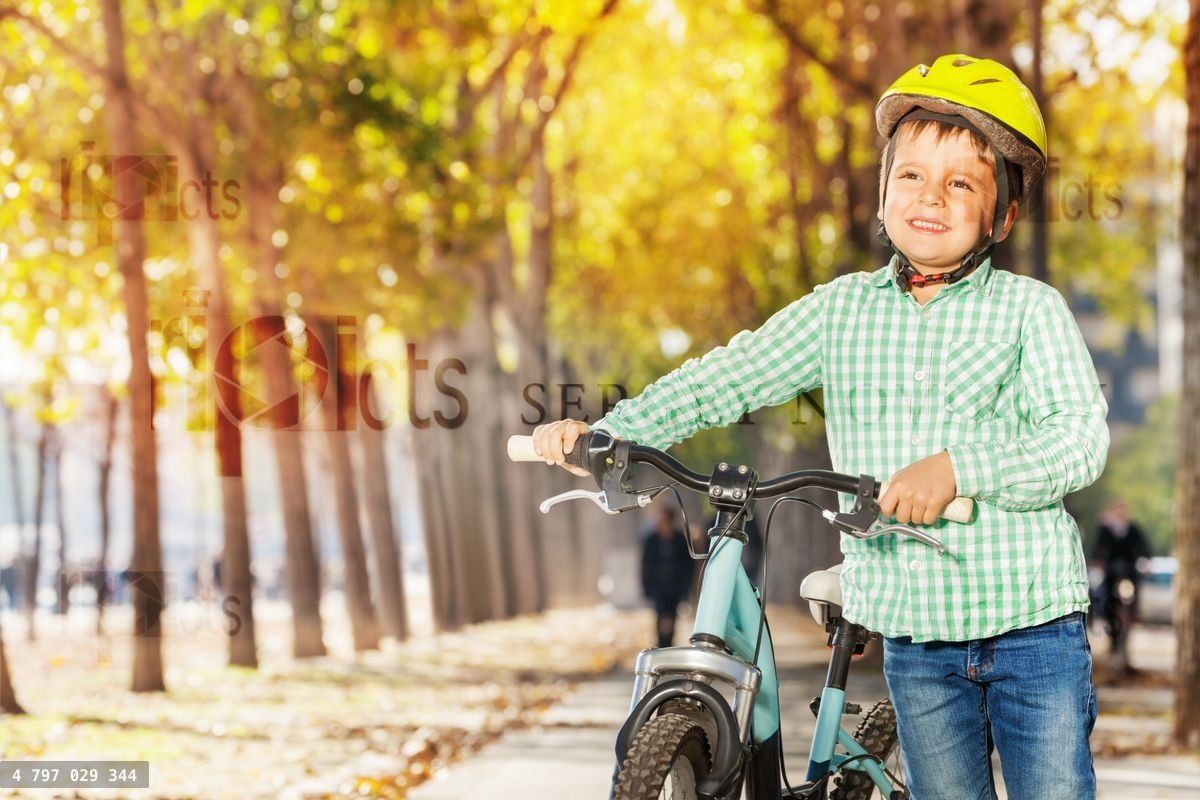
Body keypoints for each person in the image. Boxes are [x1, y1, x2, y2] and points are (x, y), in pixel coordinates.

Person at [533, 53, 1108, 800]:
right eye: (911, 175)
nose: (931, 196)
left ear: (1001, 213)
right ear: (883, 190)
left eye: (961, 182)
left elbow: (1077, 439)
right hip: (919, 638)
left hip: (1031, 626)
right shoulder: (841, 311)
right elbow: (726, 375)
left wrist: (960, 469)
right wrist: (611, 435)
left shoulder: (1030, 312)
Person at [1091, 499, 1151, 659]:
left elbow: (1143, 547)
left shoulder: (1132, 529)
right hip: (1111, 573)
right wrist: (1098, 561)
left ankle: (1132, 617)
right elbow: (1099, 548)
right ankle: (1105, 619)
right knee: (1103, 598)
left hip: (1128, 573)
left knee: (1132, 599)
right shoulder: (1107, 530)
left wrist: (1145, 560)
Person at [640, 505, 695, 648]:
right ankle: (660, 645)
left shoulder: (680, 540)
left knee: (672, 617)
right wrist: (646, 587)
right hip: (658, 587)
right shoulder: (651, 540)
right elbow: (646, 565)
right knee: (660, 616)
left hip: (675, 587)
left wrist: (685, 587)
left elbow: (687, 566)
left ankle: (669, 645)